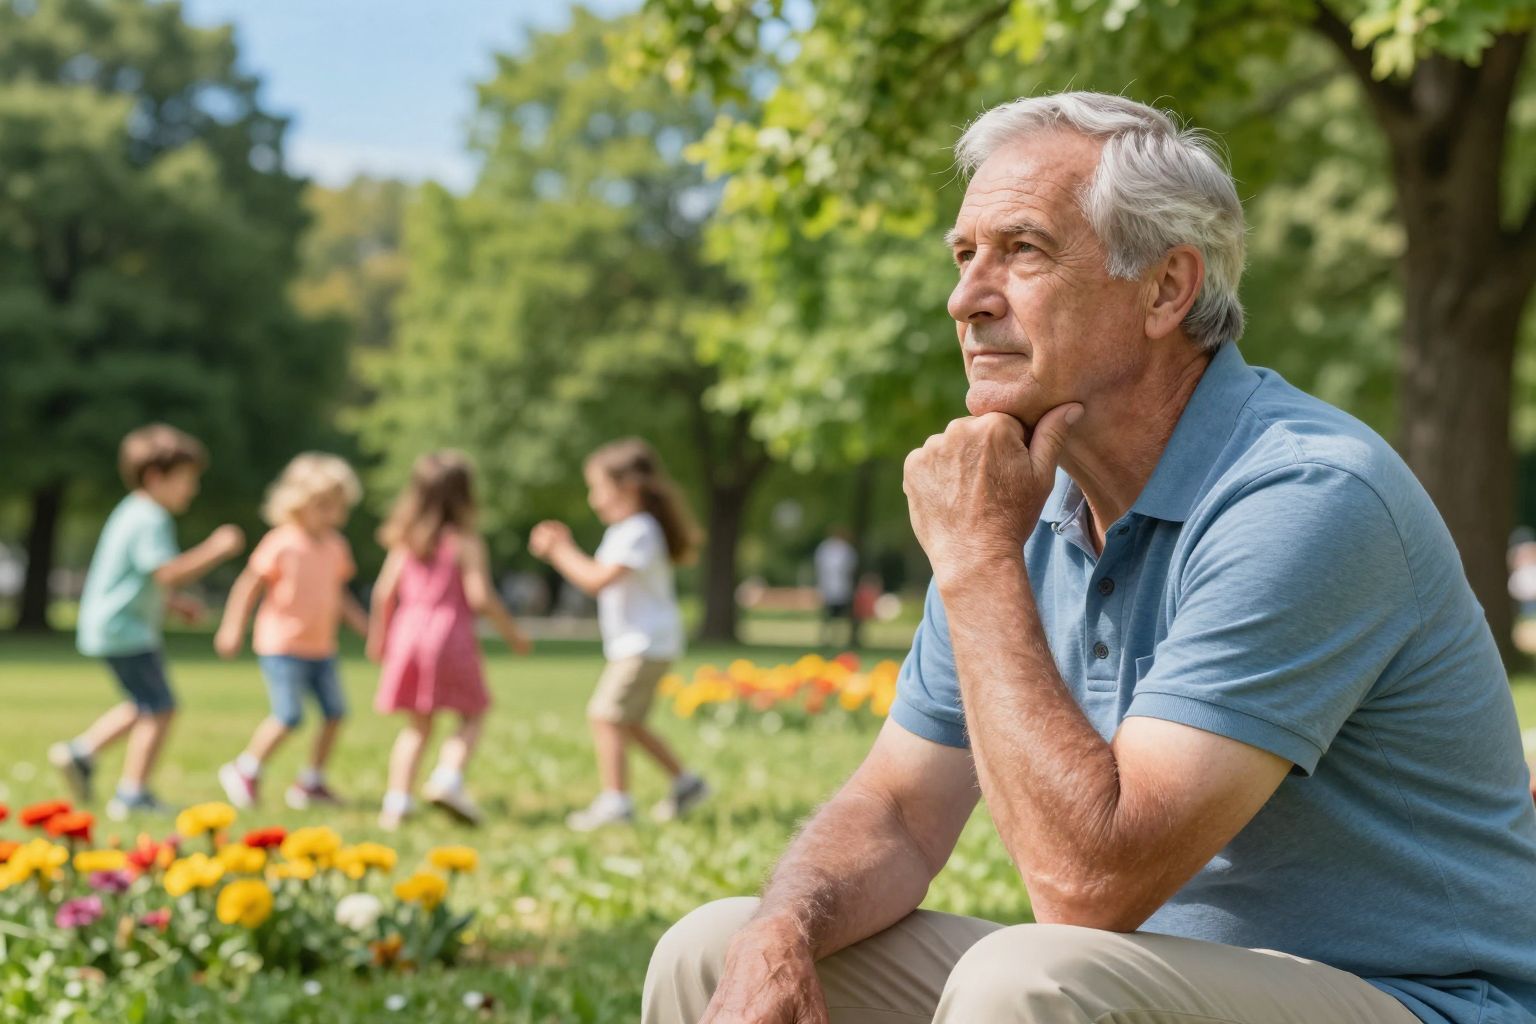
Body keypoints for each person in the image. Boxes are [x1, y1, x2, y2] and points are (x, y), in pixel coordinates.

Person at [646, 92, 1536, 1024]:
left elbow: (1087, 887)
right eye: (964, 255)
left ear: (1166, 289)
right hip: (1156, 985)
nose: (966, 297)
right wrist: (781, 928)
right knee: (714, 950)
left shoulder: (1305, 495)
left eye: (1022, 249)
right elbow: (902, 813)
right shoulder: (1020, 504)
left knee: (1032, 981)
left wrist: (980, 561)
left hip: (1425, 1002)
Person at [52, 424, 245, 819]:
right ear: (156, 477)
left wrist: (176, 605)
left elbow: (140, 575)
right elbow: (167, 572)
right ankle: (132, 794)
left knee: (143, 704)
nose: (192, 490)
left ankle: (81, 754)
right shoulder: (150, 517)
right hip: (126, 628)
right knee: (161, 707)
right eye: (186, 480)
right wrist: (216, 548)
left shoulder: (132, 511)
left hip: (112, 624)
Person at [529, 438, 709, 832]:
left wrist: (560, 549)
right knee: (629, 722)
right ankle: (687, 783)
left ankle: (617, 803)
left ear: (627, 487)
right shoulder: (629, 530)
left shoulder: (639, 530)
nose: (594, 500)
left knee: (605, 715)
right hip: (645, 643)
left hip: (643, 644)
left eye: (598, 488)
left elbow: (596, 580)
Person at [368, 450, 532, 830]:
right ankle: (447, 779)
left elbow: (382, 593)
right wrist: (513, 633)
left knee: (417, 726)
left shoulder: (405, 541)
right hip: (450, 635)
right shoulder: (465, 542)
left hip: (408, 632)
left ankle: (396, 804)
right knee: (473, 713)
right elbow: (480, 597)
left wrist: (379, 639)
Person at [213, 454, 367, 810]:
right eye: (324, 506)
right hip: (281, 644)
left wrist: (364, 626)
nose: (332, 515)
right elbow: (249, 586)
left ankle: (311, 782)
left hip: (321, 647)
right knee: (289, 715)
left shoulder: (335, 546)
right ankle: (245, 769)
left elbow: (339, 594)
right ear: (298, 505)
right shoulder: (281, 542)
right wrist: (232, 626)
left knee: (335, 712)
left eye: (338, 507)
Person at [813, 529, 857, 648]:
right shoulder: (825, 548)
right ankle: (826, 638)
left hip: (842, 588)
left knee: (842, 616)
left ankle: (839, 638)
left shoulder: (847, 550)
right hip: (828, 588)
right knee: (828, 615)